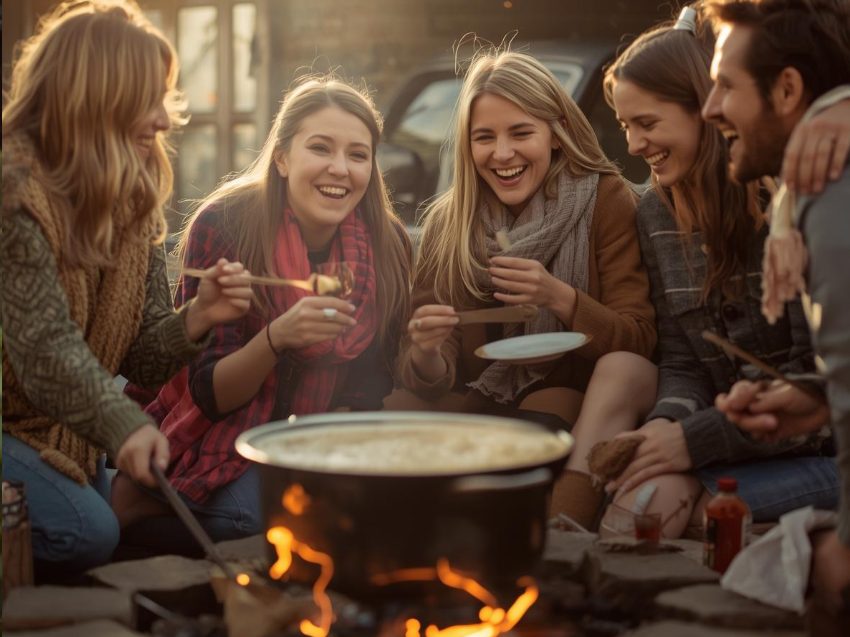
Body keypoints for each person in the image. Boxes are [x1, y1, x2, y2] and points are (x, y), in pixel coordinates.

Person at [0, 0, 252, 574]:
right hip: (12, 424)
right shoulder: (14, 193)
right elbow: (44, 352)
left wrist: (199, 316)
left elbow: (138, 357)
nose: (163, 120)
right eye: (148, 99)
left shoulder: (132, 202)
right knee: (89, 532)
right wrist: (125, 424)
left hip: (67, 435)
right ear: (97, 98)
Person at [111, 75, 413, 545]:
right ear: (282, 157)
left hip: (316, 437)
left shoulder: (386, 244)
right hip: (216, 429)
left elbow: (370, 387)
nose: (340, 168)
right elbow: (209, 392)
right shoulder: (227, 223)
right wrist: (276, 339)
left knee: (377, 512)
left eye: (358, 154)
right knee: (253, 520)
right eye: (320, 148)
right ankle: (138, 501)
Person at [598, 5, 840, 539]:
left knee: (686, 517)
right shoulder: (655, 214)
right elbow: (684, 359)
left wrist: (692, 442)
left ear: (701, 110)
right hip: (723, 445)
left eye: (648, 123)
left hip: (822, 453)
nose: (634, 146)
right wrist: (663, 427)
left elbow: (815, 382)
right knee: (637, 504)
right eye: (625, 126)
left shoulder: (791, 203)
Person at [389, 48, 657, 529]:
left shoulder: (605, 200)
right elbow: (428, 366)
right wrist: (428, 351)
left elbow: (638, 340)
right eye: (484, 137)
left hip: (562, 406)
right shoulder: (450, 221)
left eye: (521, 133)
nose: (503, 154)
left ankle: (554, 532)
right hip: (473, 400)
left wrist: (560, 297)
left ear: (556, 135)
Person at [702, 0, 850, 622]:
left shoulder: (830, 185)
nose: (709, 108)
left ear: (788, 88)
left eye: (725, 86)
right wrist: (816, 397)